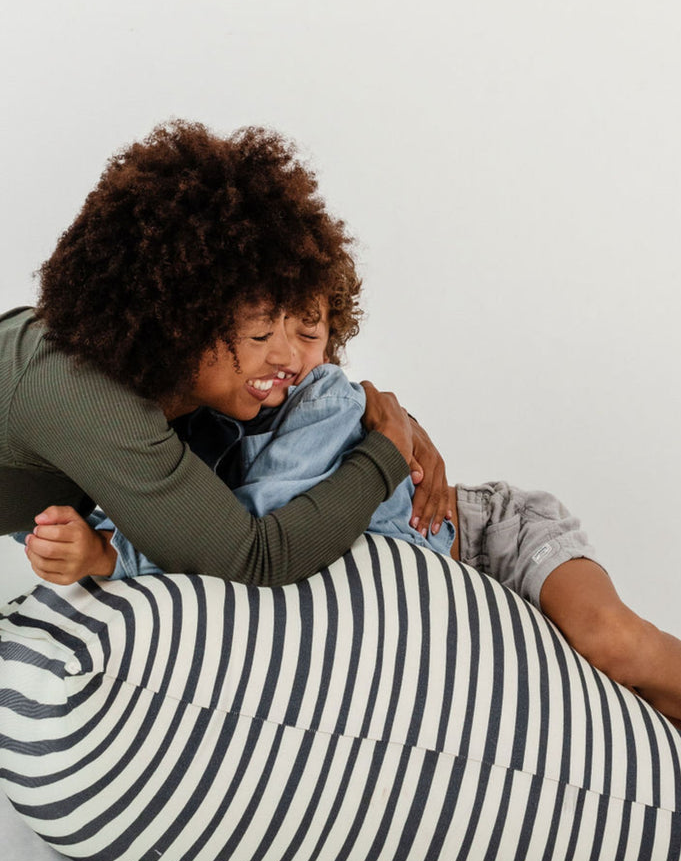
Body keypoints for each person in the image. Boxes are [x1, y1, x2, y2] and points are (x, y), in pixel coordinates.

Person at [24, 291, 681, 861]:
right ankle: (677, 740)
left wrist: (111, 556)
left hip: (489, 537)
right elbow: (175, 507)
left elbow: (244, 532)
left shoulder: (325, 400)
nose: (288, 354)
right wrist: (100, 540)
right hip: (442, 564)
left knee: (606, 641)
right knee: (592, 704)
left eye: (312, 329)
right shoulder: (189, 423)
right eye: (260, 334)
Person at [1, 119, 453, 587]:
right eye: (259, 335)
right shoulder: (90, 397)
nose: (283, 355)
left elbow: (294, 411)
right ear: (179, 325)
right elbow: (255, 558)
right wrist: (387, 451)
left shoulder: (155, 386)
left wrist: (386, 416)